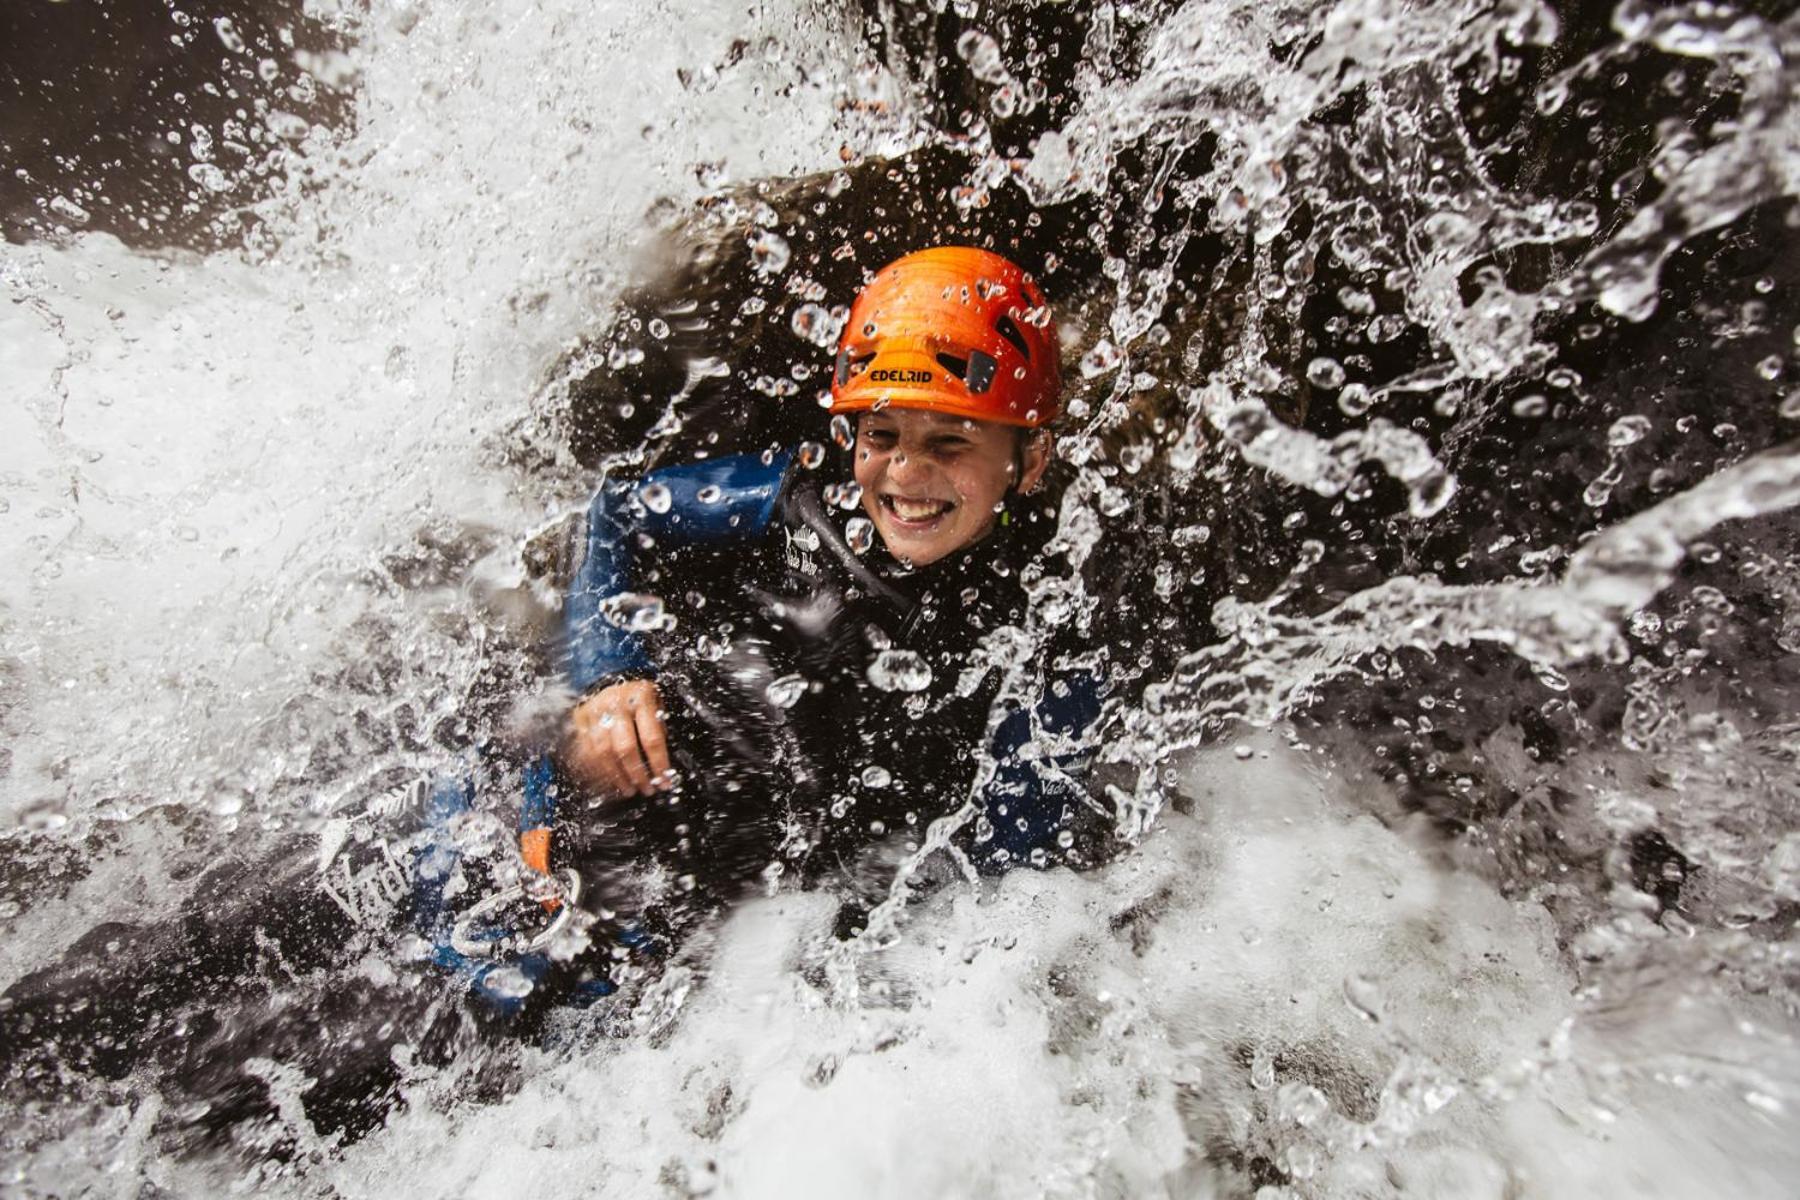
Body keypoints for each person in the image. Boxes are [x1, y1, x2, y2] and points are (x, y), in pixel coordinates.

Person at [515, 245, 1108, 986]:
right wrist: (608, 675)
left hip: (792, 909)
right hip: (643, 818)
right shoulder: (796, 499)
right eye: (881, 436)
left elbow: (1012, 880)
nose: (905, 473)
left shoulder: (1049, 626)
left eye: (950, 442)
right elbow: (614, 514)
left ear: (1032, 459)